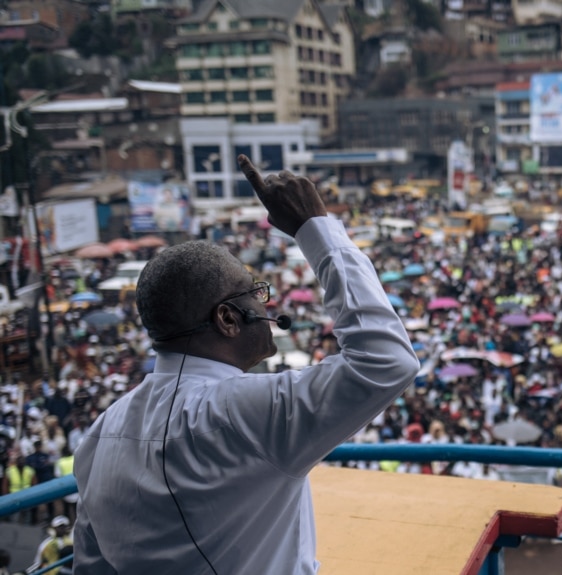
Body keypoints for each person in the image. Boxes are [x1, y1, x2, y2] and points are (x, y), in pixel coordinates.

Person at [72, 156, 420, 574]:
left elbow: (90, 567)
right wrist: (316, 228)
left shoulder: (99, 435)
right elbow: (386, 361)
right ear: (227, 319)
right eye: (256, 292)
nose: (266, 302)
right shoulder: (246, 413)